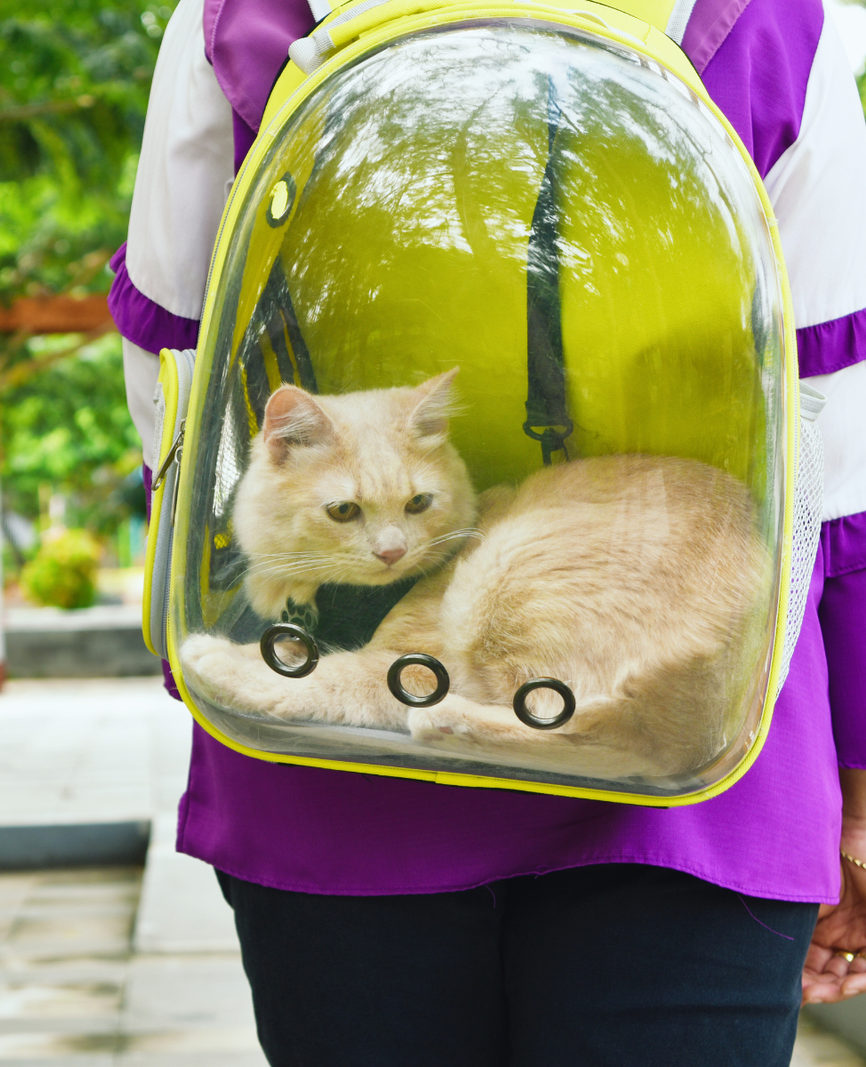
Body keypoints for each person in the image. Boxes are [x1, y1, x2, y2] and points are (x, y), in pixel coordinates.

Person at [110, 0, 866, 1061]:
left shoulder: (237, 19)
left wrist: (221, 642)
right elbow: (835, 442)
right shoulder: (787, 22)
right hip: (700, 750)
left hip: (331, 753)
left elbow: (174, 388)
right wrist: (858, 779)